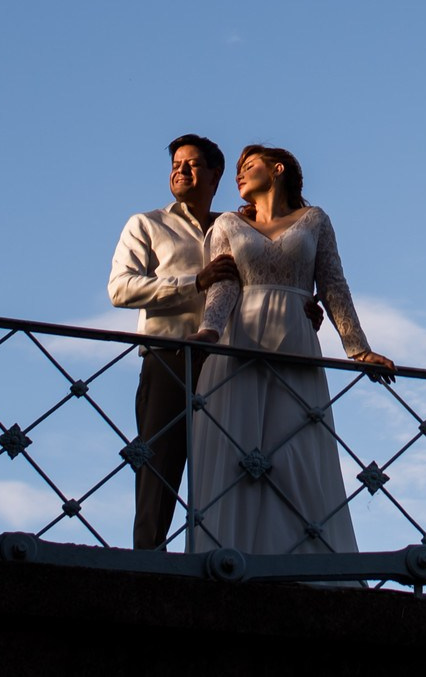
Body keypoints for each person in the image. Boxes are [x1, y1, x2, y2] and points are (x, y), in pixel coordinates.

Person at [187, 145, 394, 555]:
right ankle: (228, 554)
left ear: (277, 169)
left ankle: (303, 556)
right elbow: (224, 283)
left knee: (295, 448)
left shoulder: (315, 220)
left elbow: (333, 284)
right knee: (237, 445)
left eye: (249, 166)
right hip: (239, 340)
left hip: (296, 339)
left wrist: (358, 349)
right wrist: (209, 330)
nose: (239, 175)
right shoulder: (228, 223)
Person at [106, 134, 234, 550]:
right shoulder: (146, 224)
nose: (181, 170)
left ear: (215, 175)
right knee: (158, 469)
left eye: (191, 164)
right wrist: (194, 281)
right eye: (176, 164)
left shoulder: (235, 228)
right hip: (168, 359)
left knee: (231, 468)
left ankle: (220, 560)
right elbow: (120, 288)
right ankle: (148, 564)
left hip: (230, 364)